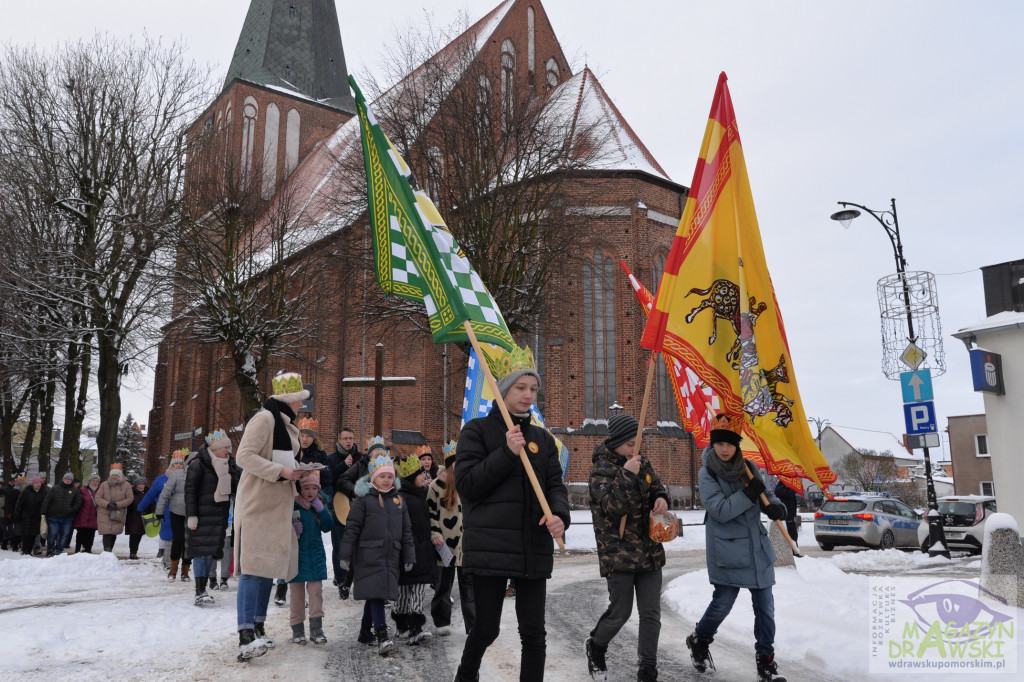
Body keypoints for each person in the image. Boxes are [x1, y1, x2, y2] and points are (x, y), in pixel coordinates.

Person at [453, 345, 571, 682]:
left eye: (533, 389)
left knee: (534, 633)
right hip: (491, 546)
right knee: (486, 628)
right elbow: (469, 486)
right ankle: (466, 676)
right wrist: (506, 451)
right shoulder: (476, 431)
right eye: (520, 387)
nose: (528, 395)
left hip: (532, 546)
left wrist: (560, 515)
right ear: (504, 389)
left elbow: (554, 486)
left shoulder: (543, 441)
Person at [686, 414, 788, 682]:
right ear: (713, 443)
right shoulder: (707, 472)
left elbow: (767, 493)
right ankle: (699, 640)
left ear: (737, 445)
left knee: (765, 607)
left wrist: (776, 505)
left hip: (757, 547)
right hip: (727, 548)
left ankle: (766, 661)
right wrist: (749, 494)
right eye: (719, 443)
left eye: (730, 443)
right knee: (723, 603)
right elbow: (719, 510)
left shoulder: (749, 466)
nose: (724, 448)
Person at [585, 413, 670, 682]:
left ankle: (648, 667)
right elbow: (612, 508)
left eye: (638, 443)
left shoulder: (642, 463)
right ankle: (596, 646)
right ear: (618, 442)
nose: (636, 448)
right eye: (631, 443)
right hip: (618, 553)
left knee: (651, 614)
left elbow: (658, 487)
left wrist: (662, 499)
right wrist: (625, 474)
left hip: (649, 551)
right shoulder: (601, 469)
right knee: (620, 613)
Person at [232, 372, 309, 662]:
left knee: (267, 566)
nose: (302, 404)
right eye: (300, 398)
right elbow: (244, 456)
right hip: (257, 504)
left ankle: (259, 627)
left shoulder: (287, 426)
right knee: (253, 568)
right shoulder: (265, 419)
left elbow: (284, 462)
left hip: (278, 505)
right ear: (290, 399)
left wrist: (301, 470)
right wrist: (283, 472)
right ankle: (245, 635)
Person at [337, 450, 415, 656]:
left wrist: (409, 556)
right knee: (378, 594)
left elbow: (406, 531)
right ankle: (381, 635)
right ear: (373, 477)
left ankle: (365, 631)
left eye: (390, 476)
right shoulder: (364, 500)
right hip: (368, 555)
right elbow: (352, 528)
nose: (387, 480)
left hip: (391, 556)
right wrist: (345, 556)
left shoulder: (398, 501)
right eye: (383, 476)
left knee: (375, 593)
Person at [185, 429, 240, 606]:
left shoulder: (229, 465)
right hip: (202, 516)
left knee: (210, 552)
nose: (228, 451)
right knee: (201, 552)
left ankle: (204, 587)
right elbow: (190, 492)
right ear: (215, 449)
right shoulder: (199, 464)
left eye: (229, 447)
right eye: (225, 447)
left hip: (218, 517)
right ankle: (199, 591)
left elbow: (239, 484)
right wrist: (192, 516)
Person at [427, 441, 475, 636]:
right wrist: (435, 532)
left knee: (469, 588)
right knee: (443, 586)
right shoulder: (436, 486)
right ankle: (441, 621)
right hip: (444, 543)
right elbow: (431, 512)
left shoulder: (470, 483)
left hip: (466, 544)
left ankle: (473, 625)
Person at [393, 454, 437, 644]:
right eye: (421, 474)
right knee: (405, 589)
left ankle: (413, 625)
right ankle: (407, 625)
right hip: (409, 551)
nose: (424, 477)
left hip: (420, 550)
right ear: (412, 477)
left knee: (417, 588)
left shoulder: (419, 495)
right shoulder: (403, 498)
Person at [288, 471, 333, 645]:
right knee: (296, 595)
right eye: (307, 488)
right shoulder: (292, 504)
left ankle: (316, 629)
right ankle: (297, 629)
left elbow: (328, 527)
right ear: (299, 488)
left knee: (315, 593)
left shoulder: (319, 504)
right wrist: (292, 528)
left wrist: (322, 512)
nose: (311, 492)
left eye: (315, 488)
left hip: (315, 557)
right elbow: (281, 526)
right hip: (296, 557)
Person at [326, 426, 359, 598]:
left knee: (356, 547)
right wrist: (342, 465)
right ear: (339, 440)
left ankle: (351, 579)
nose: (348, 441)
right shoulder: (331, 459)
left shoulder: (360, 459)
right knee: (339, 546)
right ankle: (341, 582)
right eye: (345, 438)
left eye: (351, 438)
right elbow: (328, 479)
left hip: (356, 508)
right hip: (337, 507)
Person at [156, 449, 192, 581]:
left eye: (181, 463)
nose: (180, 466)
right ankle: (173, 569)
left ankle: (185, 571)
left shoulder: (196, 475)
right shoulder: (176, 476)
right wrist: (159, 511)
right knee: (178, 540)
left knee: (189, 541)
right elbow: (165, 494)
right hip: (176, 512)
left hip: (191, 513)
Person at [138, 459, 176, 571]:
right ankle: (168, 563)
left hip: (180, 512)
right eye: (176, 464)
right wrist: (140, 507)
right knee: (169, 537)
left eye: (180, 464)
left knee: (179, 538)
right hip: (165, 512)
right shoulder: (161, 479)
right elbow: (150, 494)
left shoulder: (185, 477)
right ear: (171, 465)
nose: (178, 466)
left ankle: (173, 561)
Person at [41, 471, 82, 557]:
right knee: (53, 533)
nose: (67, 481)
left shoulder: (75, 490)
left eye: (69, 479)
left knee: (64, 535)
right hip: (53, 516)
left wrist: (72, 510)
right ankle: (50, 550)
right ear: (63, 479)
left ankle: (59, 550)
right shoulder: (55, 488)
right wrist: (44, 511)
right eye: (66, 479)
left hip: (68, 517)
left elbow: (78, 502)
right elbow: (47, 500)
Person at [95, 464, 134, 553]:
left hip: (118, 512)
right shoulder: (104, 485)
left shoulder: (126, 485)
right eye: (113, 475)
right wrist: (107, 504)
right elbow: (97, 498)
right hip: (104, 512)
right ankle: (107, 551)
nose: (114, 476)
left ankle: (109, 550)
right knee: (107, 532)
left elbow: (130, 498)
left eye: (116, 475)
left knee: (113, 533)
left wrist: (117, 504)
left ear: (120, 475)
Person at [15, 476, 47, 556]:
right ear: (33, 484)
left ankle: (29, 551)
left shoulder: (43, 492)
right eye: (36, 483)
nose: (38, 485)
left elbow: (45, 503)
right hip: (26, 516)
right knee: (26, 534)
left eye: (39, 483)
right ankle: (25, 551)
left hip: (37, 517)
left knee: (34, 534)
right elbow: (19, 504)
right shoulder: (26, 491)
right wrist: (17, 515)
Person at [73, 473, 101, 554]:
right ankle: (77, 550)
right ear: (89, 482)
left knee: (91, 535)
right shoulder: (82, 490)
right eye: (93, 481)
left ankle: (88, 550)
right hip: (82, 516)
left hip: (94, 517)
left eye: (96, 481)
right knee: (80, 534)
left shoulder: (101, 492)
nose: (95, 482)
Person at [124, 475, 148, 560]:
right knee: (134, 535)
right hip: (133, 516)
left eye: (143, 484)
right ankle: (132, 552)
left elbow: (151, 503)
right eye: (139, 484)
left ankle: (135, 551)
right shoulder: (131, 492)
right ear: (136, 485)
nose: (141, 486)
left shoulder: (147, 492)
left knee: (139, 535)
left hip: (144, 517)